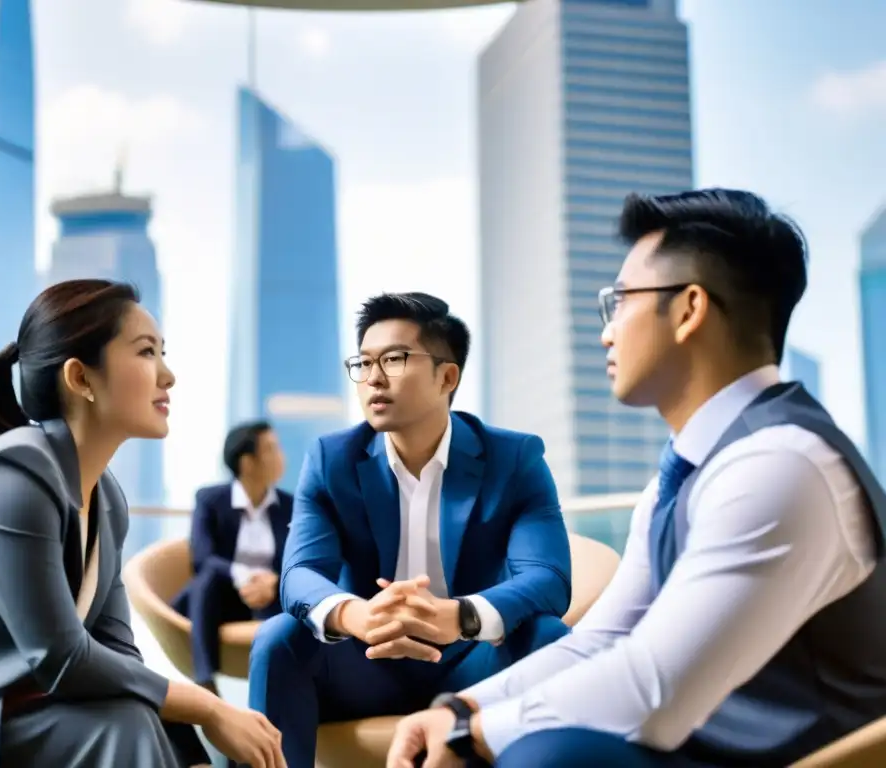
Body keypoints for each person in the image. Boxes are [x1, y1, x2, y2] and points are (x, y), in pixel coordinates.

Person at [387, 189, 886, 768]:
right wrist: (461, 711)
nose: (607, 331)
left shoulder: (781, 465)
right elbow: (604, 639)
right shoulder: (689, 473)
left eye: (619, 302)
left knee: (549, 756)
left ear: (689, 309)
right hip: (704, 747)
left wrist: (475, 736)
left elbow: (654, 689)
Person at [0, 280, 286, 768]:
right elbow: (60, 657)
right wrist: (210, 707)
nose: (168, 375)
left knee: (139, 719)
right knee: (125, 726)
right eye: (147, 352)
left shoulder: (107, 500)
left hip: (10, 694)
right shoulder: (13, 473)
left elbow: (117, 652)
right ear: (81, 379)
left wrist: (191, 740)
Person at [248, 292, 573, 767]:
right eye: (363, 363)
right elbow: (299, 574)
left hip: (471, 662)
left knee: (548, 636)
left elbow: (548, 578)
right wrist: (356, 616)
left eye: (395, 359)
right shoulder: (331, 459)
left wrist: (459, 616)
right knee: (279, 640)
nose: (373, 378)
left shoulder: (514, 458)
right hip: (364, 661)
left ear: (448, 376)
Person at [172, 420, 292, 691]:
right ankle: (204, 678)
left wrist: (272, 582)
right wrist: (245, 577)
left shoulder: (289, 506)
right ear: (247, 462)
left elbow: (298, 557)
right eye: (271, 449)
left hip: (270, 597)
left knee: (297, 590)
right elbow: (203, 558)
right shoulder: (210, 499)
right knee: (208, 578)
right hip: (222, 596)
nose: (281, 456)